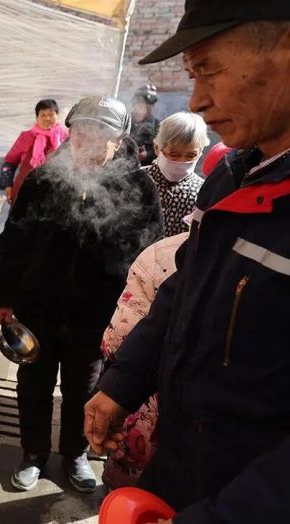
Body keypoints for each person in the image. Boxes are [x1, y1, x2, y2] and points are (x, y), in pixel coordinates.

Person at [84, 2, 290, 522]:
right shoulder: (231, 178)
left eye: (208, 69)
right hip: (180, 469)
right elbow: (183, 289)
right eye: (191, 75)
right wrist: (121, 384)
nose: (196, 100)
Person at [0, 96, 163, 493]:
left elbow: (147, 256)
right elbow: (14, 240)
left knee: (83, 390)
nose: (88, 143)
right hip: (39, 307)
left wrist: (129, 316)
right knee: (33, 384)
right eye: (81, 133)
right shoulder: (44, 179)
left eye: (100, 135)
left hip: (95, 313)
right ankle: (33, 453)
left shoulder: (139, 187)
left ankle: (75, 453)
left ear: (119, 140)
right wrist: (3, 298)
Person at [99, 231, 189, 489]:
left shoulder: (160, 254)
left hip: (141, 416)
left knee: (127, 499)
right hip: (202, 442)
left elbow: (116, 342)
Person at [146, 112, 210, 236]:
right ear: (157, 148)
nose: (182, 161)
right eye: (174, 154)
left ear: (200, 152)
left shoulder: (202, 192)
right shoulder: (137, 181)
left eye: (191, 155)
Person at [0, 99, 69, 204]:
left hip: (55, 194)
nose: (47, 118)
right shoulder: (26, 137)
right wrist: (7, 186)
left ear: (57, 116)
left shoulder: (66, 138)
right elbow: (10, 162)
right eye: (43, 115)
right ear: (37, 118)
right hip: (23, 192)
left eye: (51, 114)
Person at [130, 85, 160, 166]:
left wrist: (147, 155)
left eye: (150, 106)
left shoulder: (157, 126)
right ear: (134, 105)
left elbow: (162, 151)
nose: (147, 110)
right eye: (142, 105)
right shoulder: (125, 122)